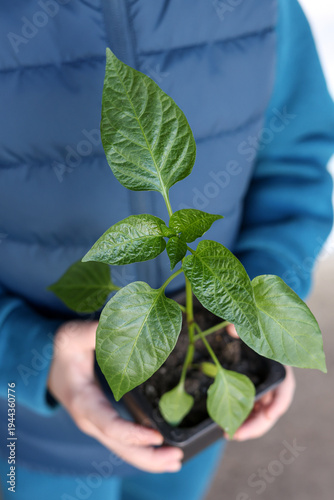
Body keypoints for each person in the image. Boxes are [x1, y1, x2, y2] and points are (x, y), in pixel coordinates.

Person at [0, 0, 333, 499]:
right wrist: (23, 350)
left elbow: (294, 159)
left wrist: (266, 303)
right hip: (26, 425)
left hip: (193, 425)